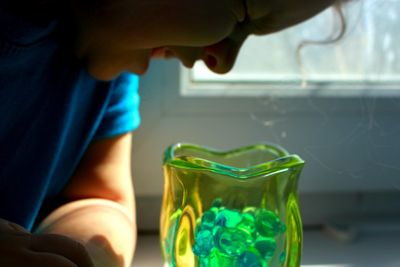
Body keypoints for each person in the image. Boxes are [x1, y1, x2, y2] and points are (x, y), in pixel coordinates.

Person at [0, 0, 339, 266]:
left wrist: (80, 255)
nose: (223, 63)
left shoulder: (112, 66)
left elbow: (100, 198)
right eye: (242, 15)